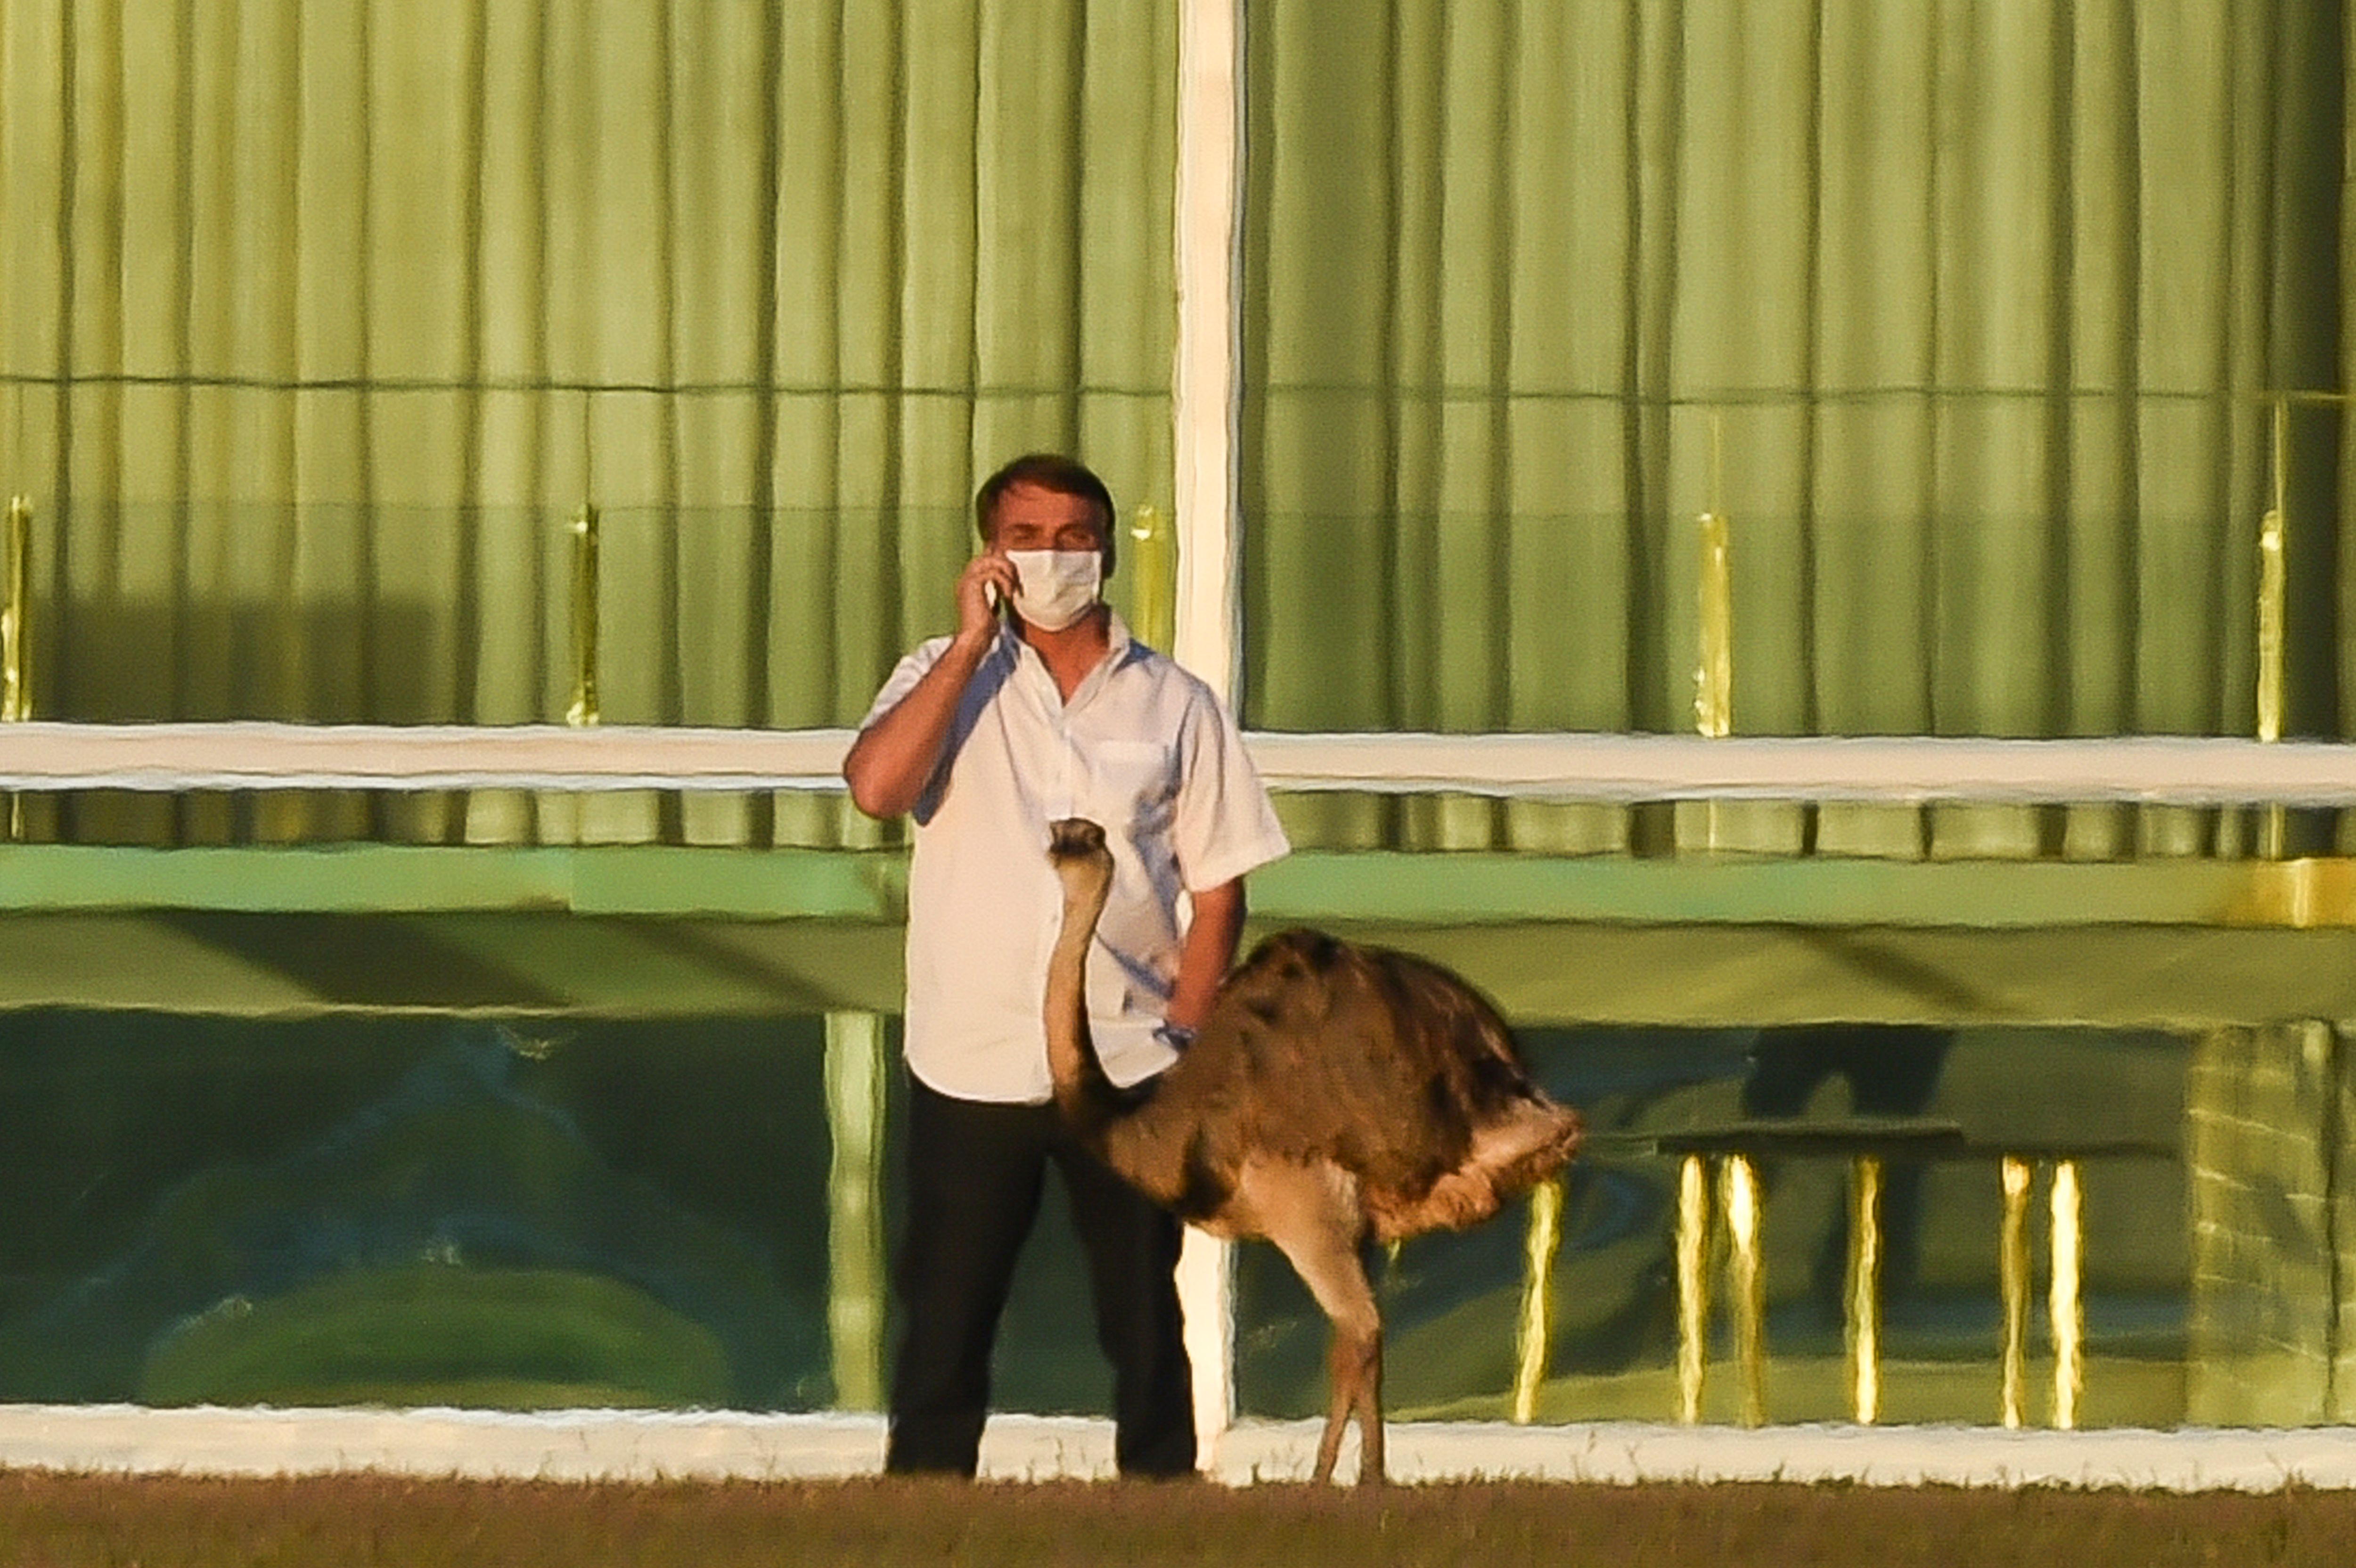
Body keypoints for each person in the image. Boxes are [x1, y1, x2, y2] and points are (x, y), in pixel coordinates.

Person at [843, 452, 1289, 1478]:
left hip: (1127, 1056)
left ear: (1108, 547)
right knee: (947, 1310)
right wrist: (967, 646)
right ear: (991, 553)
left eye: (1074, 534)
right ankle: (923, 1508)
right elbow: (875, 787)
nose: (1054, 556)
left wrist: (1188, 1021)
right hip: (975, 1050)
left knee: (1142, 1307)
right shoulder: (941, 676)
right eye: (1028, 536)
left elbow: (1218, 881)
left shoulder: (1171, 698)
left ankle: (1165, 1501)